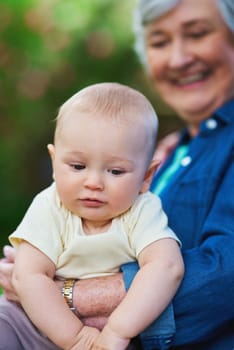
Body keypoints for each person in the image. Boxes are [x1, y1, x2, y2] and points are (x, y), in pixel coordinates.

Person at [1, 0, 234, 348]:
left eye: (197, 34)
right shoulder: (170, 152)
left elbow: (221, 275)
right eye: (158, 42)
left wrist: (70, 295)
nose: (178, 58)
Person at [0, 82, 184, 350]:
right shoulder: (50, 206)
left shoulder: (143, 209)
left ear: (146, 176)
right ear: (54, 163)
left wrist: (119, 330)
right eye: (78, 166)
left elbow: (166, 267)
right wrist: (76, 338)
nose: (94, 182)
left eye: (116, 171)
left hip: (111, 332)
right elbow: (28, 276)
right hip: (28, 324)